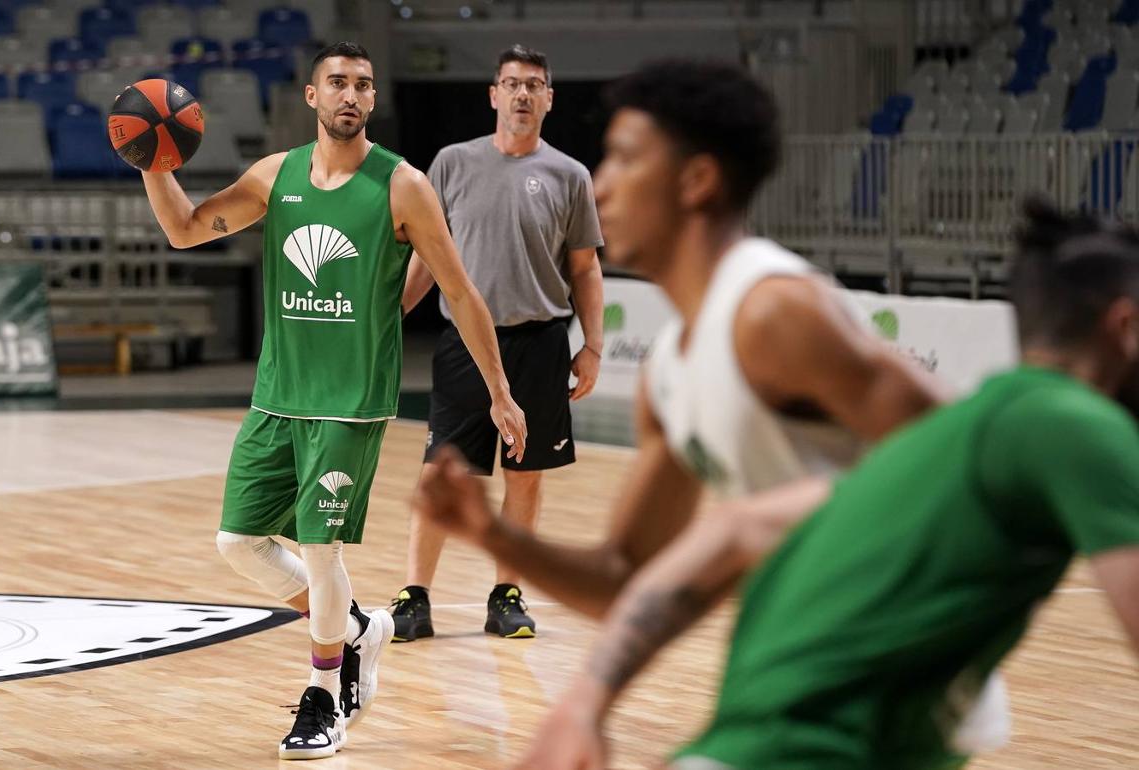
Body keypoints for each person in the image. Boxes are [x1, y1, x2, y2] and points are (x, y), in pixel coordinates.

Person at [486, 196, 1139, 770]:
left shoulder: (942, 436)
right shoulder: (1074, 425)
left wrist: (584, 702)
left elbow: (732, 531)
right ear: (1125, 327)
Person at [139, 41, 528, 760]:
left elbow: (461, 292)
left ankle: (324, 696)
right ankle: (357, 628)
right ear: (313, 97)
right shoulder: (275, 175)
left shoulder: (402, 185)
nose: (351, 94)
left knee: (320, 549)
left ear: (372, 101)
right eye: (338, 83)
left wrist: (501, 392)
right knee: (239, 544)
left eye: (364, 85)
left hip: (352, 400)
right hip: (278, 394)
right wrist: (154, 166)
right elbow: (185, 229)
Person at [392, 44, 605, 640]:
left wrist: (591, 345)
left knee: (525, 474)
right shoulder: (451, 165)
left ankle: (505, 595)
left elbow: (585, 268)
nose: (521, 95)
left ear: (549, 99)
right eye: (511, 84)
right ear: (493, 94)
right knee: (442, 471)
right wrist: (391, 322)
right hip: (464, 346)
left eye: (534, 85)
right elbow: (427, 258)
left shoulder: (570, 175)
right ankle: (415, 597)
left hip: (538, 343)